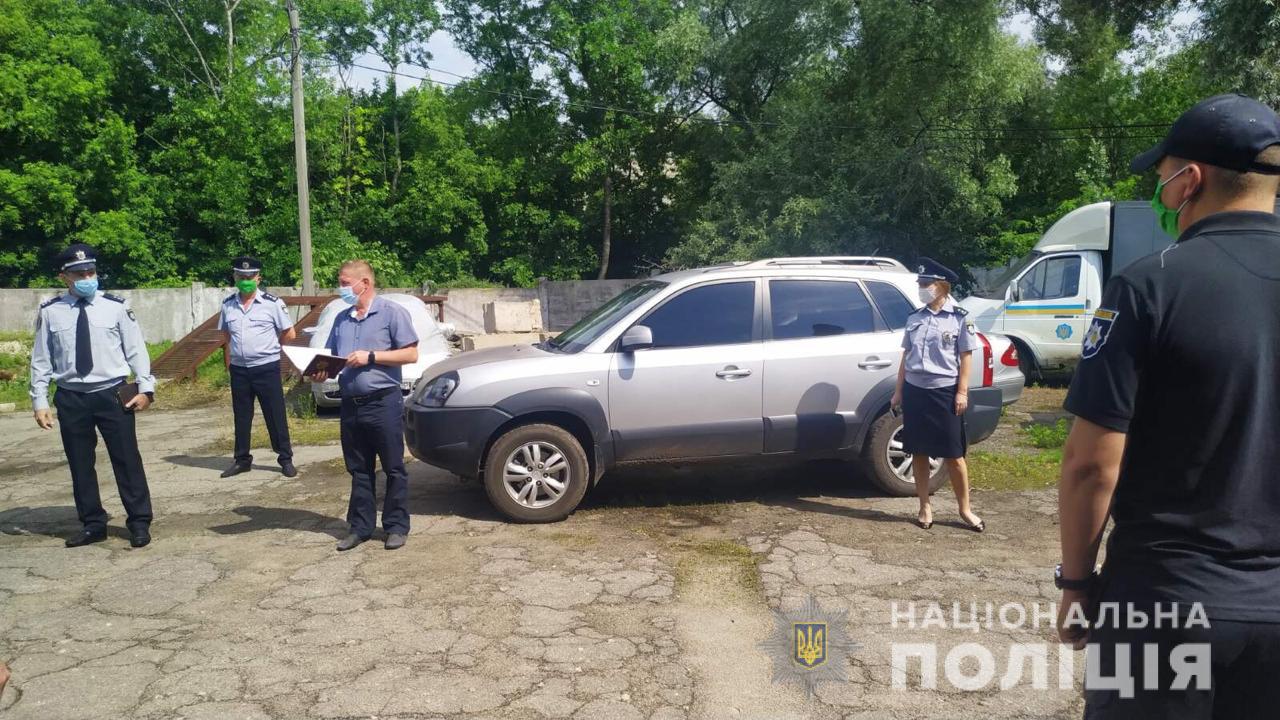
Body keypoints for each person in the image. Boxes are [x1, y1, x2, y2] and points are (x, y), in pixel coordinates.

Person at [1056, 93, 1280, 718]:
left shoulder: (1148, 286)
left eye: (1163, 178)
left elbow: (1090, 465)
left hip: (1164, 603)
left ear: (1191, 180)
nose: (1161, 193)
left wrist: (1076, 584)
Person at [30, 243, 156, 548]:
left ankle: (139, 522)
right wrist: (40, 400)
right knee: (80, 463)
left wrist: (146, 388)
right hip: (72, 397)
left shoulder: (116, 306)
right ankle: (93, 523)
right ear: (64, 277)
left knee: (126, 460)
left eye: (91, 271)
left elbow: (136, 349)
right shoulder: (51, 312)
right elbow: (41, 359)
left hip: (113, 394)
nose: (87, 276)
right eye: (79, 273)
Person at [307, 260, 418, 551]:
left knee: (393, 468)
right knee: (358, 469)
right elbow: (332, 358)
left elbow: (411, 354)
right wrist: (320, 371)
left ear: (364, 283)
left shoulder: (392, 313)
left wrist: (371, 357)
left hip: (383, 403)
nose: (341, 288)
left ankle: (395, 526)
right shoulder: (341, 319)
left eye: (345, 283)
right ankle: (360, 527)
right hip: (351, 405)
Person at [891, 257, 984, 532]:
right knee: (918, 451)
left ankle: (965, 510)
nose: (922, 287)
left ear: (941, 286)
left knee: (954, 454)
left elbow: (966, 357)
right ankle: (924, 506)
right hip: (915, 392)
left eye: (926, 283)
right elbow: (905, 358)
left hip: (945, 392)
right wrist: (898, 392)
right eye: (920, 283)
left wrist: (962, 392)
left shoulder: (960, 318)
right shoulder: (915, 318)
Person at [217, 256, 298, 478]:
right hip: (240, 370)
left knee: (275, 415)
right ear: (234, 277)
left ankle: (285, 458)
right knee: (241, 416)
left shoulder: (273, 304)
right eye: (241, 276)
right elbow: (225, 334)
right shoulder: (228, 305)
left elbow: (289, 334)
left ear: (258, 278)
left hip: (266, 367)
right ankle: (242, 459)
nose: (245, 280)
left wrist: (269, 349)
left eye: (249, 277)